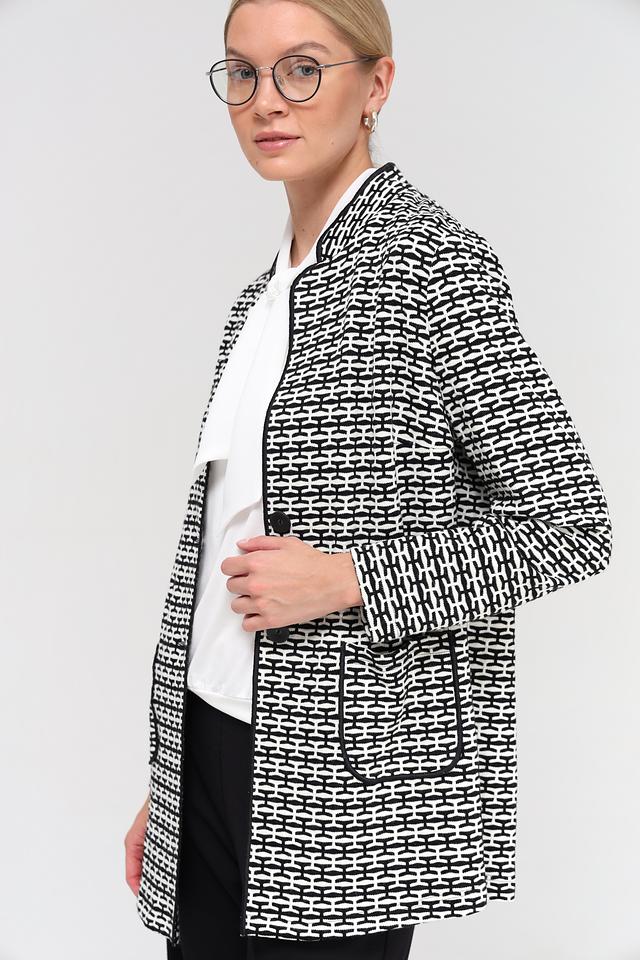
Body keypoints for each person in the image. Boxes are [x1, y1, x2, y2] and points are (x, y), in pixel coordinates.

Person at [124, 1, 613, 958]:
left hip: (346, 785)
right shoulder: (261, 297)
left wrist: (349, 578)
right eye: (243, 72)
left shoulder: (433, 262)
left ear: (376, 84)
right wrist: (172, 780)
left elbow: (569, 527)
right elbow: (228, 543)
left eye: (302, 68)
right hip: (213, 746)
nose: (267, 101)